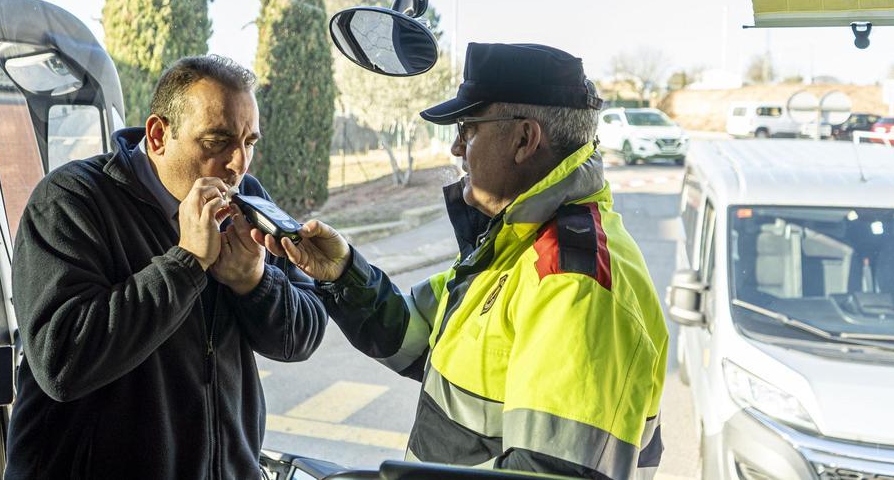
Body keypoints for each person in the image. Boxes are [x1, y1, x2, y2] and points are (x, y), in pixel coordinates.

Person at [254, 43, 669, 479]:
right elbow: (412, 334)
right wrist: (342, 272)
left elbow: (547, 473)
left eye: (467, 128)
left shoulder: (572, 283)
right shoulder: (513, 244)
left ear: (524, 139)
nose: (455, 148)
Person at [4, 55, 327, 479]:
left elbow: (301, 337)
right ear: (158, 136)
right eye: (217, 141)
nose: (239, 164)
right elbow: (61, 362)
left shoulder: (245, 194)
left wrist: (254, 282)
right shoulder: (70, 200)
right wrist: (187, 263)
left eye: (250, 142)